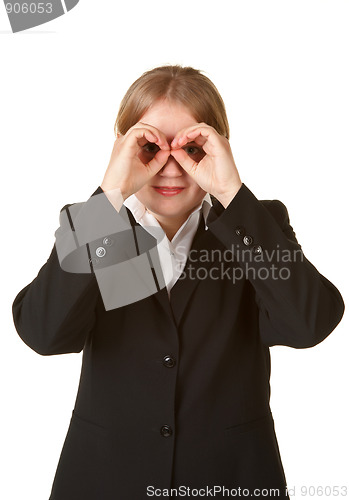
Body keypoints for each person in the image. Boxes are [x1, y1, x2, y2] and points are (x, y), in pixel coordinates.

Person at [12, 65, 345, 500]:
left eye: (192, 148)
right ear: (123, 149)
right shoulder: (103, 232)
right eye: (150, 147)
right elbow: (44, 334)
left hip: (231, 479)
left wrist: (231, 193)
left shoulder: (252, 227)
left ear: (219, 147)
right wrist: (109, 195)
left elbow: (308, 326)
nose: (171, 168)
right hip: (105, 481)